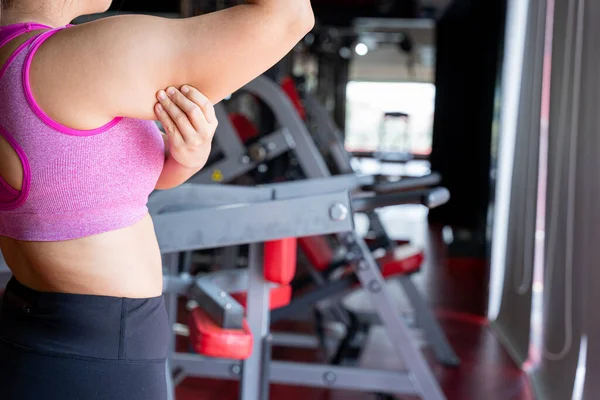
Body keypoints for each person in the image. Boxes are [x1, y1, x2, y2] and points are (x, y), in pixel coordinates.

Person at [0, 0, 315, 399]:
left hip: (34, 329)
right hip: (98, 356)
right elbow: (288, 16)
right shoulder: (77, 57)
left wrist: (186, 158)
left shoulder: (15, 55)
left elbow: (83, 193)